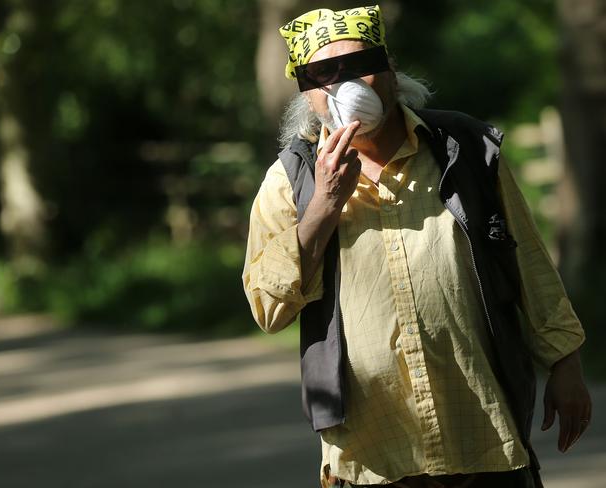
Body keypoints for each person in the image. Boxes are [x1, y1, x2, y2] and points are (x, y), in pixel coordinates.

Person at [242, 5, 591, 488]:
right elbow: (268, 308)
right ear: (307, 93)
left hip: (482, 439)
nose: (346, 85)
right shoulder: (290, 181)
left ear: (389, 68)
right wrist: (322, 207)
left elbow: (527, 259)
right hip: (372, 456)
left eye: (359, 64)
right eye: (324, 73)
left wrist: (565, 362)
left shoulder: (463, 149)